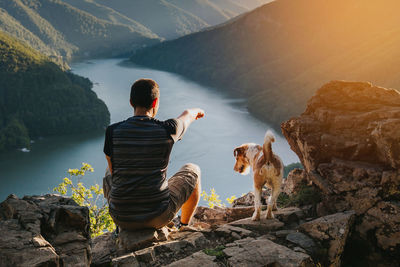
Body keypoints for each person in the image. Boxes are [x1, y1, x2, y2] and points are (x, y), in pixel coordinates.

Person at [103, 78, 204, 231]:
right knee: (192, 170)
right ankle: (182, 226)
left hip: (121, 217)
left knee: (107, 172)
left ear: (131, 102)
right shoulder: (169, 129)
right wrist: (199, 112)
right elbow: (188, 114)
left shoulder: (112, 131)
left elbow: (113, 171)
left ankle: (120, 226)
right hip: (158, 216)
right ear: (155, 102)